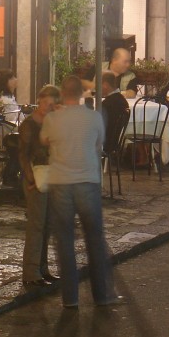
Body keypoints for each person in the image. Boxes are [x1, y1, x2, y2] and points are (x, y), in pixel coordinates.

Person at [40, 75, 123, 310]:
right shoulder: (94, 117)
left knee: (64, 241)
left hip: (61, 182)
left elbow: (44, 140)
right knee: (94, 240)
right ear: (80, 94)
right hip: (87, 180)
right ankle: (102, 294)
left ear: (62, 94)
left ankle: (70, 298)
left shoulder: (53, 119)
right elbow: (99, 145)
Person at [17, 84, 60, 287]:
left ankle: (42, 268)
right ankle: (31, 271)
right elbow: (23, 155)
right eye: (45, 103)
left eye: (51, 104)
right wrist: (30, 179)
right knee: (36, 224)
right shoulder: (29, 125)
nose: (47, 107)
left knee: (48, 224)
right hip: (35, 177)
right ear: (39, 101)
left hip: (51, 176)